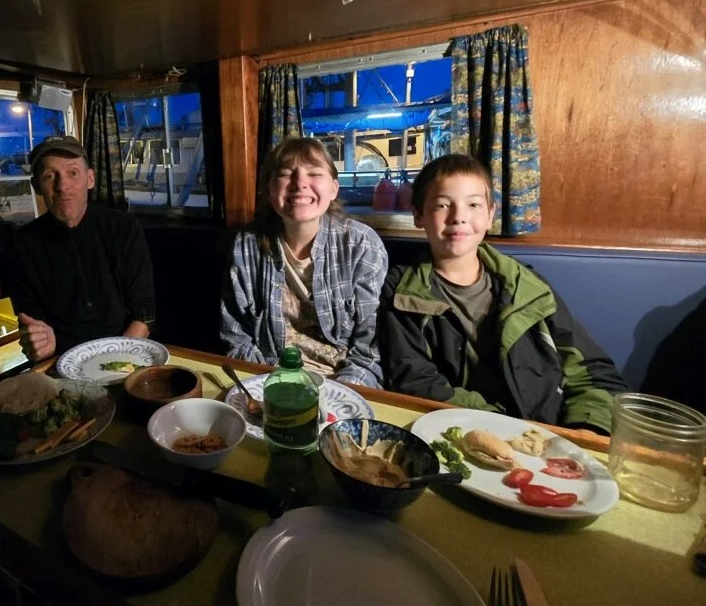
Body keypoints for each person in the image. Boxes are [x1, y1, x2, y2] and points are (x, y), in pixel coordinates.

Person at [379, 154, 629, 433]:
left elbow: (591, 371)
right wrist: (507, 429)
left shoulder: (527, 286)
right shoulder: (401, 292)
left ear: (490, 215)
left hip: (550, 432)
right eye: (441, 205)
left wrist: (586, 428)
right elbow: (415, 380)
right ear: (418, 216)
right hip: (464, 431)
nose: (458, 217)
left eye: (473, 204)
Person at [220, 137, 388, 388]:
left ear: (333, 188)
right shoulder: (247, 243)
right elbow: (236, 338)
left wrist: (337, 396)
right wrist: (265, 387)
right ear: (269, 189)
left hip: (341, 381)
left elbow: (369, 353)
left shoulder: (362, 245)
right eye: (286, 174)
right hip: (268, 376)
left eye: (314, 173)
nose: (300, 184)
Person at [1, 135, 156, 359]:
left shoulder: (123, 227)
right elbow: (35, 326)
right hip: (62, 358)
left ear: (90, 179)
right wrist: (40, 345)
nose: (62, 186)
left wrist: (117, 361)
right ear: (36, 186)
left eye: (73, 173)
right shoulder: (20, 245)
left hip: (127, 350)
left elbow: (144, 313)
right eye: (49, 176)